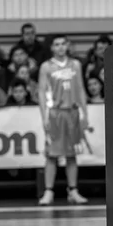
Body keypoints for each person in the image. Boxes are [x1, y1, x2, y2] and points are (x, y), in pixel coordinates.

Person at [37, 34, 89, 206]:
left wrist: (85, 113)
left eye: (63, 44)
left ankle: (73, 190)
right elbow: (42, 92)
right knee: (51, 155)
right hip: (55, 113)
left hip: (72, 112)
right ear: (52, 48)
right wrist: (44, 115)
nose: (60, 47)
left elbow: (81, 89)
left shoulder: (76, 65)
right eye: (56, 44)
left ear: (68, 46)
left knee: (72, 154)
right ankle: (48, 191)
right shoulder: (46, 67)